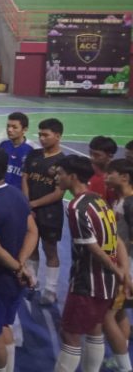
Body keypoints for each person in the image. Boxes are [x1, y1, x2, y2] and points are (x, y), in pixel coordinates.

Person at [53, 155, 126, 372]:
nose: (57, 177)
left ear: (72, 176)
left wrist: (116, 270)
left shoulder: (77, 207)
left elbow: (91, 246)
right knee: (94, 329)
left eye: (60, 173)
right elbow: (117, 239)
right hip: (107, 282)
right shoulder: (99, 200)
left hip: (87, 281)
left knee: (70, 334)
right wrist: (121, 272)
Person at [0, 146, 39, 372]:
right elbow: (32, 231)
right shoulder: (17, 194)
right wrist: (21, 264)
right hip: (14, 281)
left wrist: (16, 268)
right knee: (4, 325)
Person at [22, 118, 65, 306]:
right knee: (31, 247)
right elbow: (25, 179)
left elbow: (59, 192)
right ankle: (32, 282)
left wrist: (33, 204)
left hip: (50, 213)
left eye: (46, 135)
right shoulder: (34, 155)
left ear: (58, 136)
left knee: (50, 249)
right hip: (30, 209)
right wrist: (27, 204)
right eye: (40, 134)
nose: (41, 138)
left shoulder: (63, 162)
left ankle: (51, 289)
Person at [103, 159, 133, 372]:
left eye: (110, 173)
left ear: (124, 177)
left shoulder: (131, 204)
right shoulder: (119, 200)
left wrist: (128, 273)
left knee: (106, 316)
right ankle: (120, 355)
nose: (105, 177)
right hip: (122, 266)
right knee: (120, 313)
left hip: (127, 269)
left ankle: (124, 365)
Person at [0, 112, 33, 191]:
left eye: (14, 127)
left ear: (25, 129)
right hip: (2, 190)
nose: (9, 130)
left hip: (20, 194)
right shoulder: (2, 144)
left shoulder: (32, 149)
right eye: (8, 126)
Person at [88, 136, 118, 203]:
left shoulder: (115, 178)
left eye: (97, 155)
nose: (92, 157)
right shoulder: (85, 170)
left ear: (110, 156)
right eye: (90, 153)